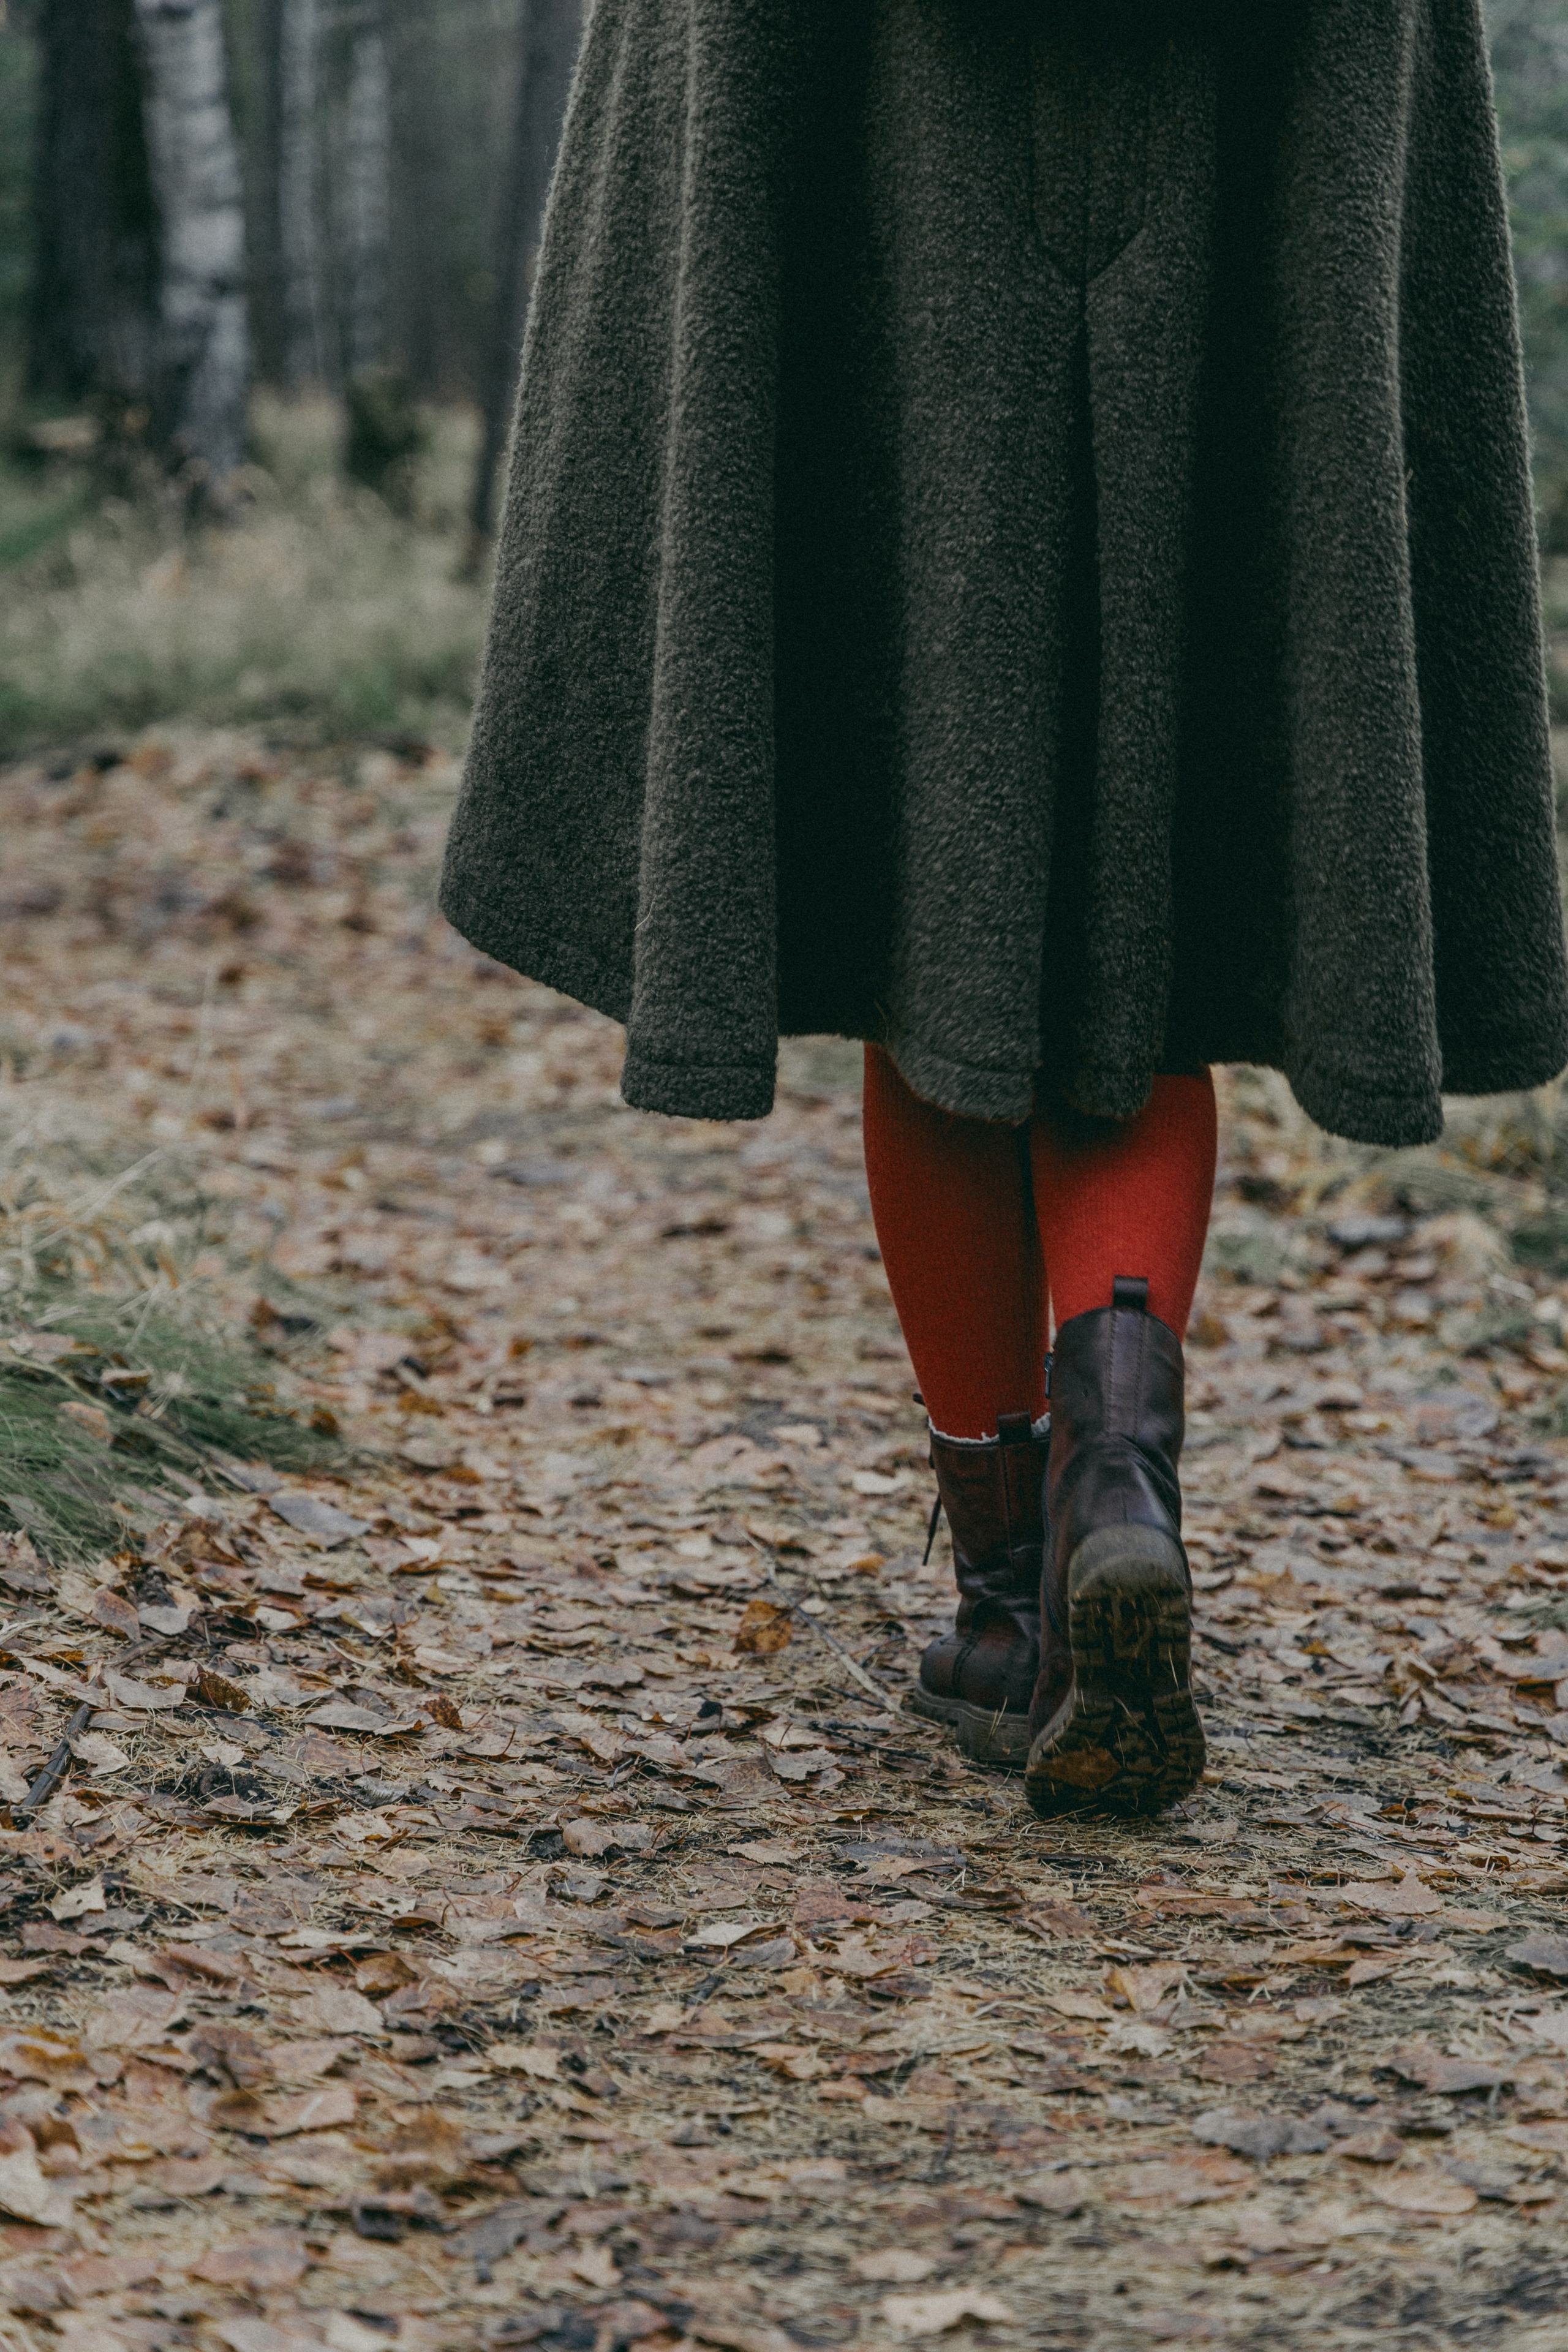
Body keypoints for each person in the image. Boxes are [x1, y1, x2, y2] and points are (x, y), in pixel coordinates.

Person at [440, 0, 1568, 1819]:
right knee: (1150, 941)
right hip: (1241, 109)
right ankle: (1115, 1491)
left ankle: (1004, 1595)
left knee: (923, 892)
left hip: (877, 105)